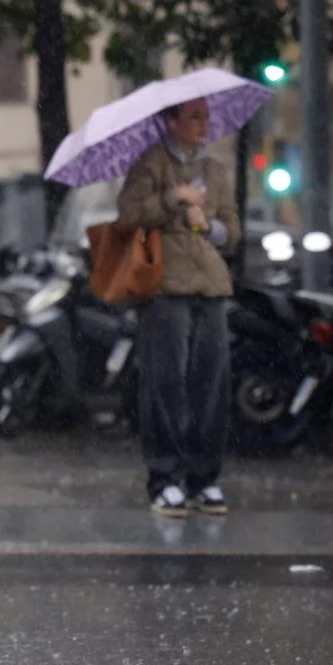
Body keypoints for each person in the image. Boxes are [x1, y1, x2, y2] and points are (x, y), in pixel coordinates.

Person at [115, 97, 240, 518]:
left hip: (212, 285)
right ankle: (165, 477)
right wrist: (172, 199)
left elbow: (233, 230)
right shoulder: (151, 164)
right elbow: (128, 216)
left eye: (206, 116)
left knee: (212, 384)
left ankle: (205, 478)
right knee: (166, 384)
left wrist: (212, 225)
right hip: (166, 284)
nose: (203, 124)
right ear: (171, 121)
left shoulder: (216, 171)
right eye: (194, 116)